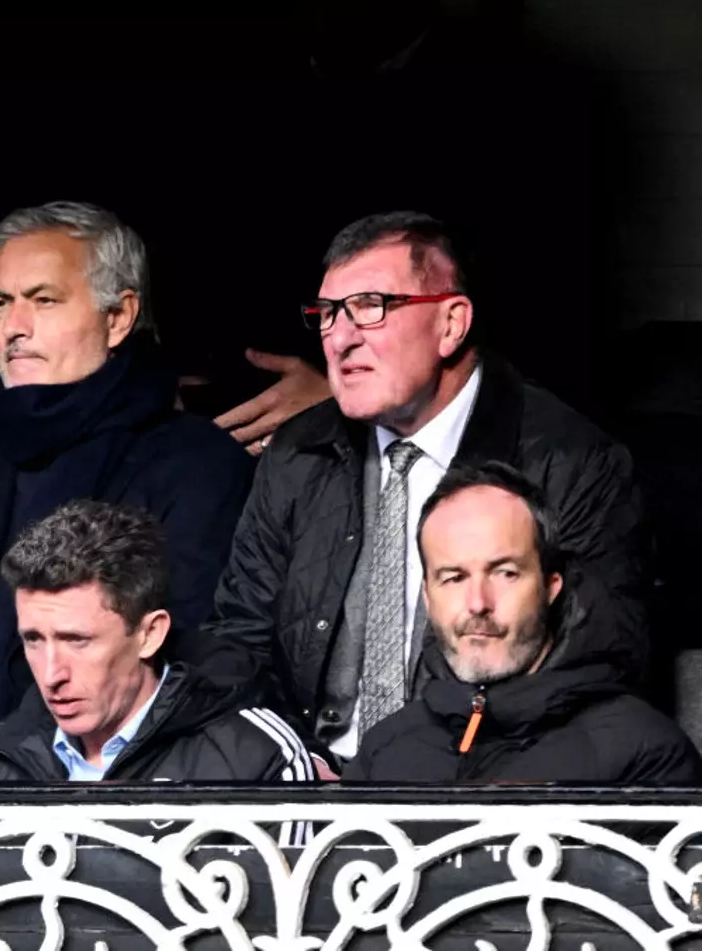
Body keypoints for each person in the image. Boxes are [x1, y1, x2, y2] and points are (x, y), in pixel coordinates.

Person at [207, 211, 647, 765]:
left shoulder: (571, 460)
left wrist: (410, 766)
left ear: (451, 324)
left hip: (478, 781)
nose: (340, 339)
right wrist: (285, 759)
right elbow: (237, 640)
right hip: (309, 780)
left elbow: (596, 662)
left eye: (371, 307)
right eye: (327, 314)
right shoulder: (298, 453)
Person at [0, 201, 254, 724]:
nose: (14, 327)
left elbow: (180, 659)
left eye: (44, 300)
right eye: (1, 303)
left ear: (118, 318)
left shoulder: (195, 466)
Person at [346, 463, 700, 784]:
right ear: (427, 596)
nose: (478, 604)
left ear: (550, 586)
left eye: (505, 573)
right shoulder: (384, 751)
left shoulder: (642, 751)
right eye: (453, 578)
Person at [0, 501, 315, 787]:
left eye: (77, 640)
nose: (51, 675)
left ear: (149, 634)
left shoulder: (256, 763)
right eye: (33, 640)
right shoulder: (1, 760)